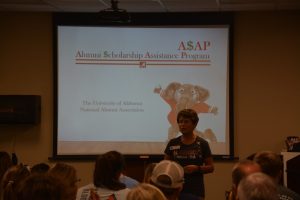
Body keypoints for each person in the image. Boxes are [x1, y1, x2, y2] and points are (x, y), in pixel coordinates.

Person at [164, 108, 214, 199]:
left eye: (186, 122)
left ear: (194, 124)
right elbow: (165, 165)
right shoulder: (173, 143)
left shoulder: (203, 143)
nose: (182, 125)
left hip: (195, 191)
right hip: (175, 190)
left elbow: (211, 167)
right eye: (180, 122)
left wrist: (197, 168)